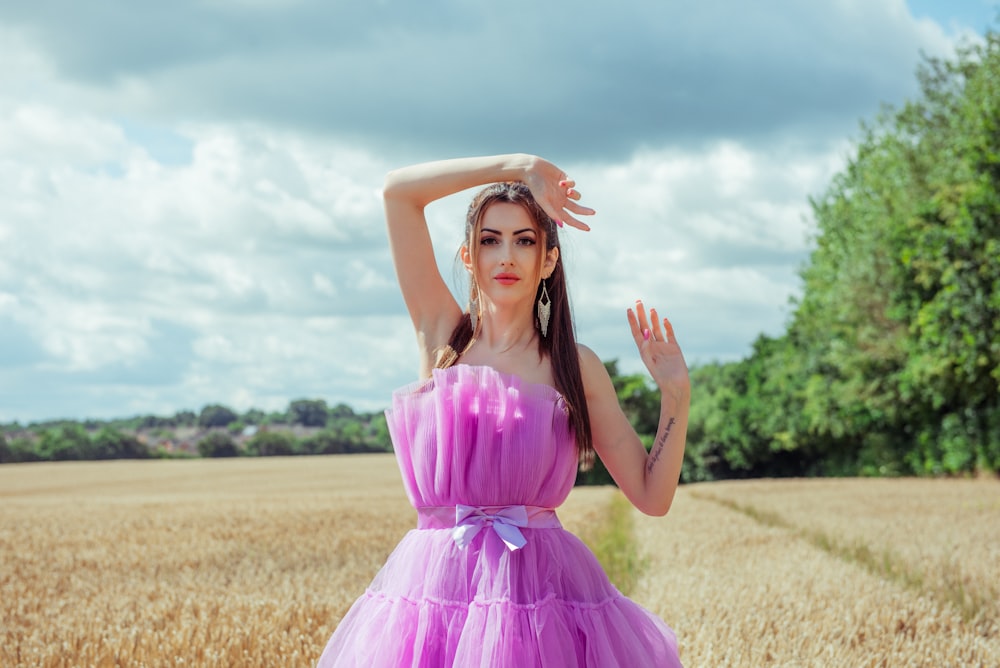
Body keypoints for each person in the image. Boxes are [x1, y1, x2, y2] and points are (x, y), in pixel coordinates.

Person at [317, 154, 689, 667]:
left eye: (525, 240)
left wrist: (675, 398)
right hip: (433, 594)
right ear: (469, 257)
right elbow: (398, 194)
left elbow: (652, 497)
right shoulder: (442, 337)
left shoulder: (575, 367)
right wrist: (519, 167)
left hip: (541, 602)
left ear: (549, 261)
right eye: (490, 240)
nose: (506, 256)